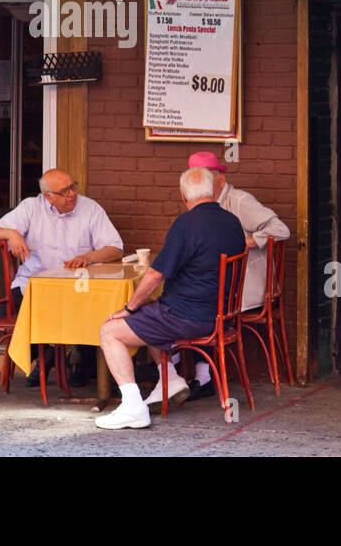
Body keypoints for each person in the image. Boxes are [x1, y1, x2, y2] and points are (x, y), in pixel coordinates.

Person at [94, 166, 245, 429]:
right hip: (220, 315)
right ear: (213, 191)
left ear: (183, 197)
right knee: (150, 312)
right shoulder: (232, 221)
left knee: (110, 331)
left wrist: (128, 308)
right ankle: (170, 378)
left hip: (188, 318)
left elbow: (155, 276)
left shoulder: (186, 224)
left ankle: (132, 407)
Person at [171, 149, 291, 402]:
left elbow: (281, 230)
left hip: (247, 287)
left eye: (205, 181)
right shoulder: (201, 206)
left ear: (221, 181)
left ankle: (194, 377)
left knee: (193, 301)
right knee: (190, 296)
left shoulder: (238, 201)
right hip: (223, 285)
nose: (200, 188)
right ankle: (178, 375)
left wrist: (243, 243)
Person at [0, 168, 123, 387]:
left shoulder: (89, 208)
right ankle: (47, 353)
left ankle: (77, 361)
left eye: (73, 187)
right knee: (28, 313)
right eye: (64, 191)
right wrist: (13, 233)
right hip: (33, 285)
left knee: (92, 309)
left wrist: (89, 256)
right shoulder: (31, 208)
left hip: (77, 286)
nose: (72, 194)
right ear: (48, 196)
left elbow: (115, 249)